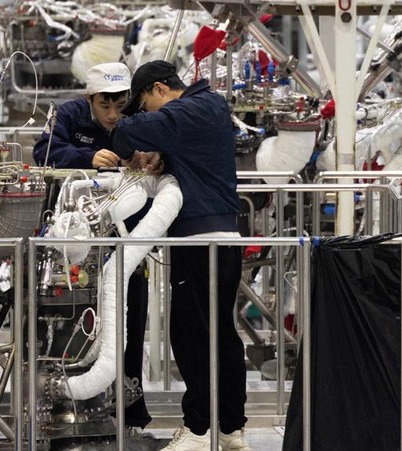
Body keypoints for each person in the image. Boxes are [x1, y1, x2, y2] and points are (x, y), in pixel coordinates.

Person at [112, 60, 251, 451]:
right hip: (221, 240)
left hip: (199, 240)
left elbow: (126, 133)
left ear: (158, 89)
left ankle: (198, 429)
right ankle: (230, 427)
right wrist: (163, 158)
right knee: (221, 335)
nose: (146, 113)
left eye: (143, 104)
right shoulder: (209, 108)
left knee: (192, 336)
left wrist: (135, 137)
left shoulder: (190, 110)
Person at [33, 62, 154, 437]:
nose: (115, 115)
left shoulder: (137, 120)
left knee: (130, 324)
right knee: (68, 323)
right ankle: (59, 405)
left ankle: (131, 415)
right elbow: (44, 151)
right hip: (75, 245)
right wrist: (86, 158)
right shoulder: (69, 115)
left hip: (124, 242)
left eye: (121, 105)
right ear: (90, 99)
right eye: (106, 106)